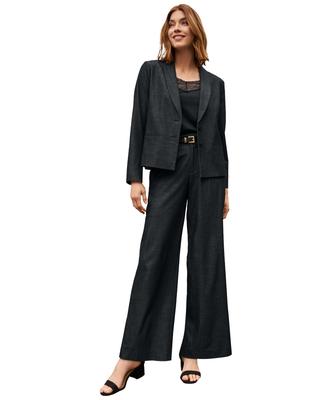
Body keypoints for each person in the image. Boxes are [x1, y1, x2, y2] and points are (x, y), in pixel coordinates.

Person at [100, 4, 231, 394]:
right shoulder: (151, 73)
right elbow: (138, 123)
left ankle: (193, 351)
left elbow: (220, 136)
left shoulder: (216, 84)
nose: (176, 28)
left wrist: (225, 186)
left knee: (206, 260)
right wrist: (134, 178)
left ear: (195, 31)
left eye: (183, 23)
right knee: (153, 258)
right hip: (166, 169)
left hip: (208, 172)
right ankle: (132, 355)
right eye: (171, 23)